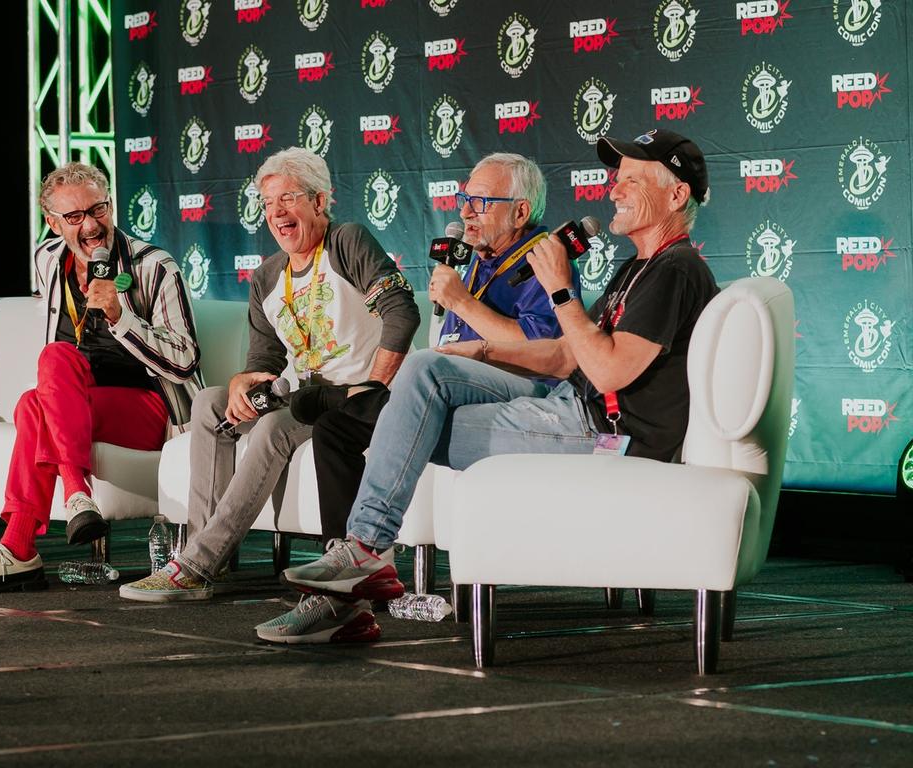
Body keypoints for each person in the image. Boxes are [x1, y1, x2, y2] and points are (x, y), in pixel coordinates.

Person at [263, 128, 720, 643]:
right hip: (569, 405)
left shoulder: (675, 269)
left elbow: (610, 372)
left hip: (602, 431)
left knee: (396, 423)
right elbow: (565, 355)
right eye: (617, 178)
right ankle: (358, 565)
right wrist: (479, 351)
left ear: (676, 195)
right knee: (422, 375)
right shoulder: (641, 267)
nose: (613, 189)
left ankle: (360, 559)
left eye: (631, 180)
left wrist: (560, 289)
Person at [119, 147, 420, 608]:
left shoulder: (347, 242)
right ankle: (203, 553)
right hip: (305, 396)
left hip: (359, 398)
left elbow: (401, 312)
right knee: (210, 403)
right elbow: (265, 359)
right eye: (267, 203)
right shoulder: (266, 276)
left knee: (277, 426)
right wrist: (243, 383)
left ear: (319, 202)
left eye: (288, 199)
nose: (276, 212)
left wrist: (374, 387)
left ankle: (196, 565)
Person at [0, 162, 202, 592]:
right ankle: (64, 508)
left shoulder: (155, 266)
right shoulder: (47, 260)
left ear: (110, 205)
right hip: (77, 401)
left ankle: (23, 544)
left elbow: (185, 360)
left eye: (98, 209)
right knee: (44, 382)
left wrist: (121, 317)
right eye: (75, 216)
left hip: (149, 407)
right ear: (53, 223)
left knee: (39, 394)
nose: (91, 226)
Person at [308, 152, 574, 546]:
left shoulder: (543, 259)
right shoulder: (478, 258)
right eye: (464, 199)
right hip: (455, 382)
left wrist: (463, 303)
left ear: (520, 212)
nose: (466, 212)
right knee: (335, 429)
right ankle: (343, 552)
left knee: (423, 370)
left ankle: (367, 542)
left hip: (524, 387)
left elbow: (545, 352)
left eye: (480, 202)